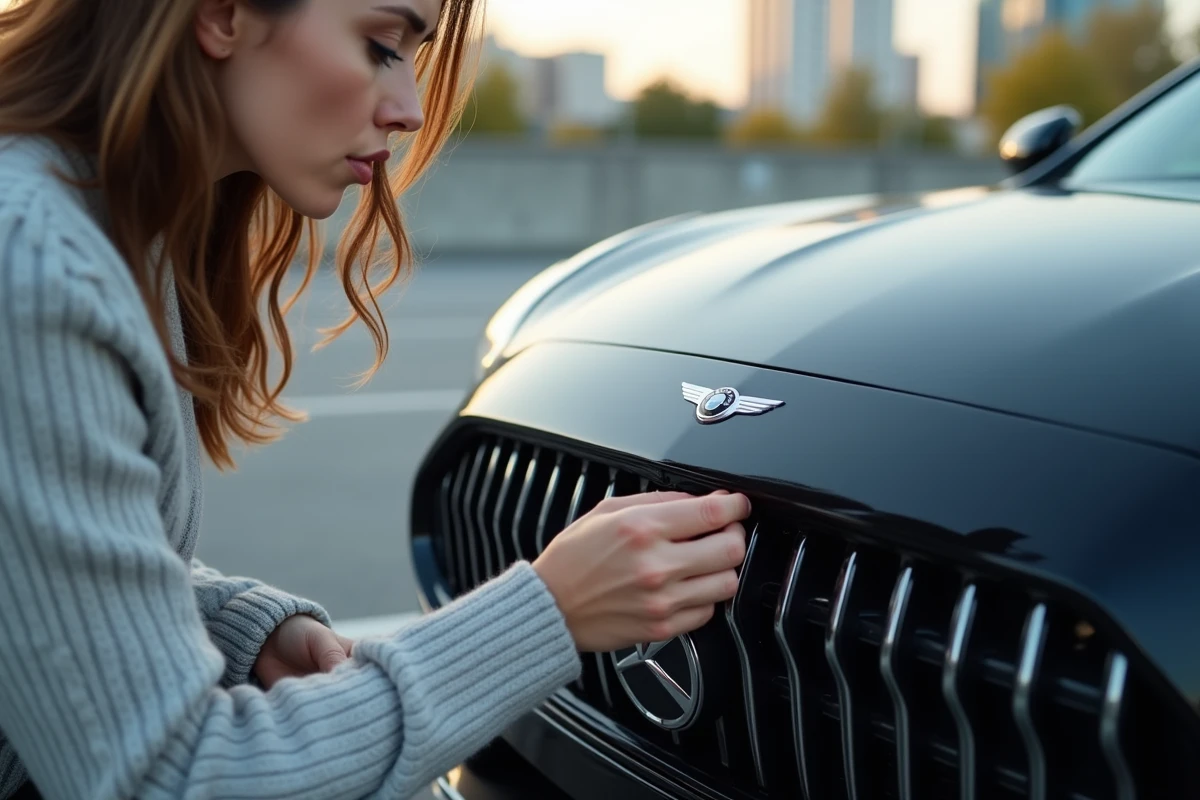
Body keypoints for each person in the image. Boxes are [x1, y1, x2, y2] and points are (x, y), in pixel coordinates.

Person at [0, 0, 752, 798]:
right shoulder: (37, 269)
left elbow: (42, 571)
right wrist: (549, 615)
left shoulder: (103, 228)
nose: (412, 111)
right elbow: (174, 779)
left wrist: (240, 626)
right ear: (221, 15)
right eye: (381, 45)